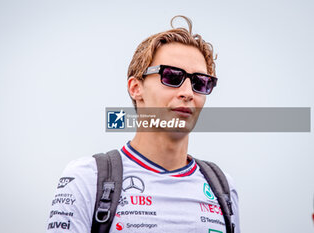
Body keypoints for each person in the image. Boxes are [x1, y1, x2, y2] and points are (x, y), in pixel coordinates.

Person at [46, 15, 240, 233]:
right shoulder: (87, 177)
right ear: (135, 88)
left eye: (200, 82)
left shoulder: (222, 187)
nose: (187, 93)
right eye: (172, 76)